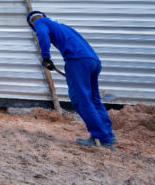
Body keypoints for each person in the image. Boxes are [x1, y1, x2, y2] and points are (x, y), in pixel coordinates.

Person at [27, 11, 116, 150]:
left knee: (81, 99)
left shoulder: (39, 22)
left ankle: (102, 138)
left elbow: (43, 34)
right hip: (93, 61)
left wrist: (45, 57)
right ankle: (108, 135)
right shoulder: (63, 26)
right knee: (94, 99)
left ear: (32, 23)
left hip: (77, 62)